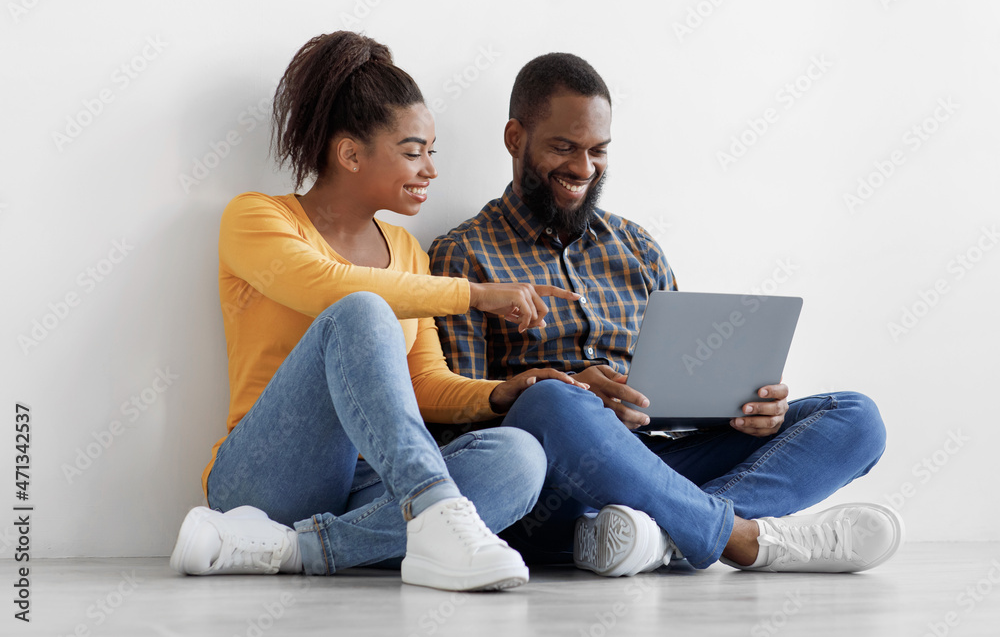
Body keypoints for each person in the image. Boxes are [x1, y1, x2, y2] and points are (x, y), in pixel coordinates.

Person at [428, 52, 904, 577]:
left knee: (856, 418)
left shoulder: (637, 247)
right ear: (516, 138)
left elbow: (677, 383)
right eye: (564, 147)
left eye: (598, 151)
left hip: (657, 459)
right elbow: (459, 429)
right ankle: (734, 536)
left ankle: (659, 535)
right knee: (552, 402)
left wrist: (742, 411)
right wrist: (573, 391)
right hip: (554, 486)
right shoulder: (465, 256)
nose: (584, 169)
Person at [169, 33, 588, 592]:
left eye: (431, 152)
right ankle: (435, 516)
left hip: (365, 485)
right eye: (413, 152)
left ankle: (299, 550)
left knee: (519, 456)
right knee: (362, 310)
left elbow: (424, 383)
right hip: (267, 479)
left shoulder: (408, 250)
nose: (430, 170)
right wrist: (475, 293)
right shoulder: (256, 218)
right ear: (349, 153)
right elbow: (330, 288)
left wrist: (497, 392)